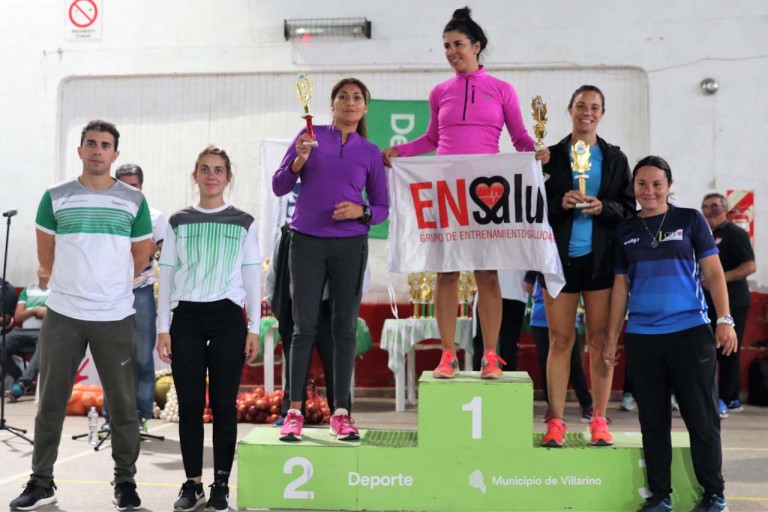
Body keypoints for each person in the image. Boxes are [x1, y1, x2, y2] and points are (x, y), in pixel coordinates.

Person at [382, 7, 548, 381]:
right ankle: (448, 355)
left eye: (457, 44)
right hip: (447, 189)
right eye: (446, 46)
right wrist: (400, 151)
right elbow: (431, 139)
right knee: (446, 273)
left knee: (487, 273)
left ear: (477, 45)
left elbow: (519, 137)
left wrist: (535, 152)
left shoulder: (502, 90)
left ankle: (490, 355)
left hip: (485, 191)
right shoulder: (439, 92)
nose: (451, 51)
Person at [10, 120, 154, 511]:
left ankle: (125, 482)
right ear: (80, 150)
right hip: (64, 314)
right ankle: (42, 482)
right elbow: (46, 255)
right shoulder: (55, 196)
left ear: (115, 154)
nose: (97, 150)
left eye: (105, 145)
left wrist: (110, 285)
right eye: (91, 143)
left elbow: (141, 255)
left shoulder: (133, 201)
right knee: (50, 403)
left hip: (115, 315)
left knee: (123, 405)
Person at [606, 155, 736, 512]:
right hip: (642, 336)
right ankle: (660, 496)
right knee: (652, 421)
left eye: (657, 184)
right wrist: (612, 337)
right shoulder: (625, 231)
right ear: (634, 187)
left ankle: (714, 494)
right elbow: (619, 289)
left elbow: (714, 273)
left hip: (690, 332)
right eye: (642, 184)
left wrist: (725, 319)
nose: (649, 191)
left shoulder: (690, 219)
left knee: (701, 418)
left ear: (669, 186)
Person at [273, 77, 388, 442]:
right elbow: (278, 185)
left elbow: (382, 208)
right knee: (302, 327)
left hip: (350, 246)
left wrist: (360, 210)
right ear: (332, 104)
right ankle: (294, 412)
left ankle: (341, 413)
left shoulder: (370, 152)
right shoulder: (309, 137)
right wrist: (298, 161)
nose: (350, 102)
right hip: (306, 242)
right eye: (343, 96)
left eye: (357, 97)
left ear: (365, 108)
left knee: (344, 329)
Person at [156, 145, 260, 512]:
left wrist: (254, 327)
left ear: (228, 178)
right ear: (195, 175)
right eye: (205, 168)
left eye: (218, 170)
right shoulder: (178, 221)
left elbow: (251, 275)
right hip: (186, 319)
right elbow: (167, 274)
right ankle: (193, 484)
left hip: (228, 319)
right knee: (190, 405)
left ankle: (220, 485)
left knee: (223, 405)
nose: (211, 175)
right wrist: (163, 327)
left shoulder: (244, 222)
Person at [539, 85, 635, 448]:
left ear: (602, 114)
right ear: (570, 110)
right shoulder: (549, 157)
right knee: (560, 340)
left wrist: (603, 208)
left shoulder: (615, 158)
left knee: (600, 341)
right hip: (558, 262)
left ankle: (599, 418)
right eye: (581, 105)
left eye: (595, 107)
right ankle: (556, 421)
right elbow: (533, 206)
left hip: (601, 262)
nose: (587, 112)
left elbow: (628, 209)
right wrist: (559, 203)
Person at [100, 164, 169, 434]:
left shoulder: (155, 217)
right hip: (110, 294)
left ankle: (140, 417)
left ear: (141, 187)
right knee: (111, 358)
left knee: (142, 357)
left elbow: (168, 258)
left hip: (141, 292)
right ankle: (111, 418)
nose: (129, 191)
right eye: (123, 185)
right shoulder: (104, 214)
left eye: (134, 186)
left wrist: (152, 251)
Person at [265, 223, 336, 424]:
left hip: (327, 309)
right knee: (294, 362)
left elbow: (357, 273)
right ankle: (291, 413)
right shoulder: (288, 234)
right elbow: (273, 272)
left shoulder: (338, 232)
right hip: (293, 307)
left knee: (334, 362)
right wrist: (275, 304)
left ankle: (339, 412)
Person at [701, 192, 756, 416]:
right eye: (705, 206)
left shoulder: (735, 233)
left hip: (733, 301)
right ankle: (716, 396)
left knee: (728, 348)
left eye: (714, 206)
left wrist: (720, 278)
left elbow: (750, 266)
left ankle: (729, 397)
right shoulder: (704, 234)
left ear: (724, 209)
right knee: (711, 349)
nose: (710, 210)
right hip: (708, 301)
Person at [524, 271, 593, 423]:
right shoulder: (539, 264)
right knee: (547, 365)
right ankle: (553, 407)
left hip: (566, 318)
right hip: (541, 318)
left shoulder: (571, 263)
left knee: (574, 363)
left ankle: (587, 405)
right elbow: (527, 286)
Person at [2, 267, 50, 400]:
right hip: (22, 332)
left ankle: (22, 384)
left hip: (44, 331)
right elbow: (18, 316)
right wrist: (35, 310)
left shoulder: (56, 291)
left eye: (45, 266)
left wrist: (31, 312)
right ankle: (19, 375)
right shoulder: (28, 289)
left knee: (44, 343)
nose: (42, 268)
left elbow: (52, 314)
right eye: (40, 266)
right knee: (2, 343)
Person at [471, 270, 527, 372]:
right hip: (486, 295)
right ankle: (480, 377)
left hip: (516, 294)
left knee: (509, 349)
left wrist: (530, 279)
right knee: (481, 346)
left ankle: (508, 381)